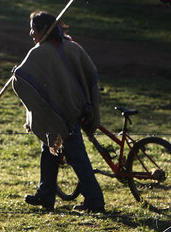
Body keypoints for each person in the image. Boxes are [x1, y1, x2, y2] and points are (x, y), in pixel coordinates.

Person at [12, 11, 105, 213]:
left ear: (44, 29)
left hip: (65, 116)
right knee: (49, 151)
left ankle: (95, 201)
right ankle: (45, 195)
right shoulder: (73, 47)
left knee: (78, 158)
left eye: (34, 29)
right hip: (74, 111)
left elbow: (22, 78)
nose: (31, 33)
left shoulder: (40, 53)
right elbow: (92, 74)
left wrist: (16, 74)